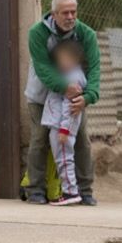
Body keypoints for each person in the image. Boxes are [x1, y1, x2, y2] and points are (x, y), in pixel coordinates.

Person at [22, 0, 101, 206]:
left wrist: (88, 97)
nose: (70, 17)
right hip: (41, 97)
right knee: (39, 139)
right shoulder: (37, 33)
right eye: (65, 12)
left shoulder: (86, 34)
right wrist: (64, 86)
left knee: (81, 140)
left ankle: (84, 191)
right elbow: (43, 67)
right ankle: (35, 190)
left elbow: (94, 68)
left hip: (74, 99)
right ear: (54, 14)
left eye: (73, 12)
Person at [41, 40, 88, 206]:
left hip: (61, 127)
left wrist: (64, 130)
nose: (60, 63)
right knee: (62, 158)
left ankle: (70, 192)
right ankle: (69, 191)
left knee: (64, 158)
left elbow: (70, 108)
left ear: (74, 60)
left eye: (64, 59)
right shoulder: (67, 76)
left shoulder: (73, 79)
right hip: (58, 125)